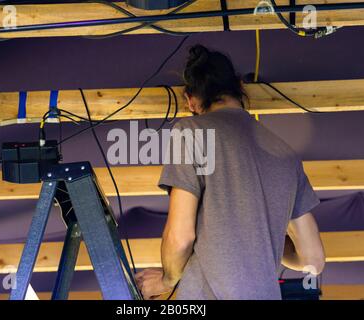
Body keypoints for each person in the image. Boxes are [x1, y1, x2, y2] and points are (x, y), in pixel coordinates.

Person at [135, 44, 325, 300]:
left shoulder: (191, 132)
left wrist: (165, 281)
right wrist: (258, 233)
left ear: (189, 100)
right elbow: (313, 259)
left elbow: (181, 236)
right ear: (240, 88)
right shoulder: (286, 155)